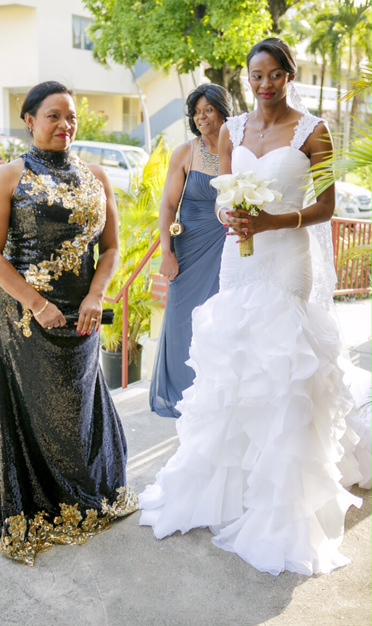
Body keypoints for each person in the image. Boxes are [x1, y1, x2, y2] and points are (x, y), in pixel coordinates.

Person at [140, 39, 372, 576]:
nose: (264, 85)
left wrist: (270, 222)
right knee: (237, 358)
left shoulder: (316, 131)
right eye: (255, 76)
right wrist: (232, 213)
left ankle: (283, 504)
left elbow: (327, 206)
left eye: (274, 75)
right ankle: (233, 486)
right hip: (238, 259)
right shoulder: (232, 130)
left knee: (284, 365)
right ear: (247, 79)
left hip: (288, 256)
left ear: (289, 76)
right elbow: (223, 192)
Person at [0, 81, 138, 565]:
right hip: (23, 312)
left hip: (82, 313)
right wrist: (37, 304)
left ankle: (80, 491)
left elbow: (113, 248)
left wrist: (95, 296)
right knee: (33, 407)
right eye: (54, 115)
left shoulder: (97, 175)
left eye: (71, 117)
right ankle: (34, 503)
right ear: (30, 120)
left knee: (77, 405)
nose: (65, 125)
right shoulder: (8, 176)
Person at [150, 84, 231, 417]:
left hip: (228, 250)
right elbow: (168, 207)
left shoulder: (238, 149)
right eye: (197, 112)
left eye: (208, 110)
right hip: (188, 250)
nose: (201, 117)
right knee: (183, 323)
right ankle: (183, 397)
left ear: (222, 112)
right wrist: (167, 252)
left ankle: (216, 397)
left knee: (221, 322)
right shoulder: (185, 153)